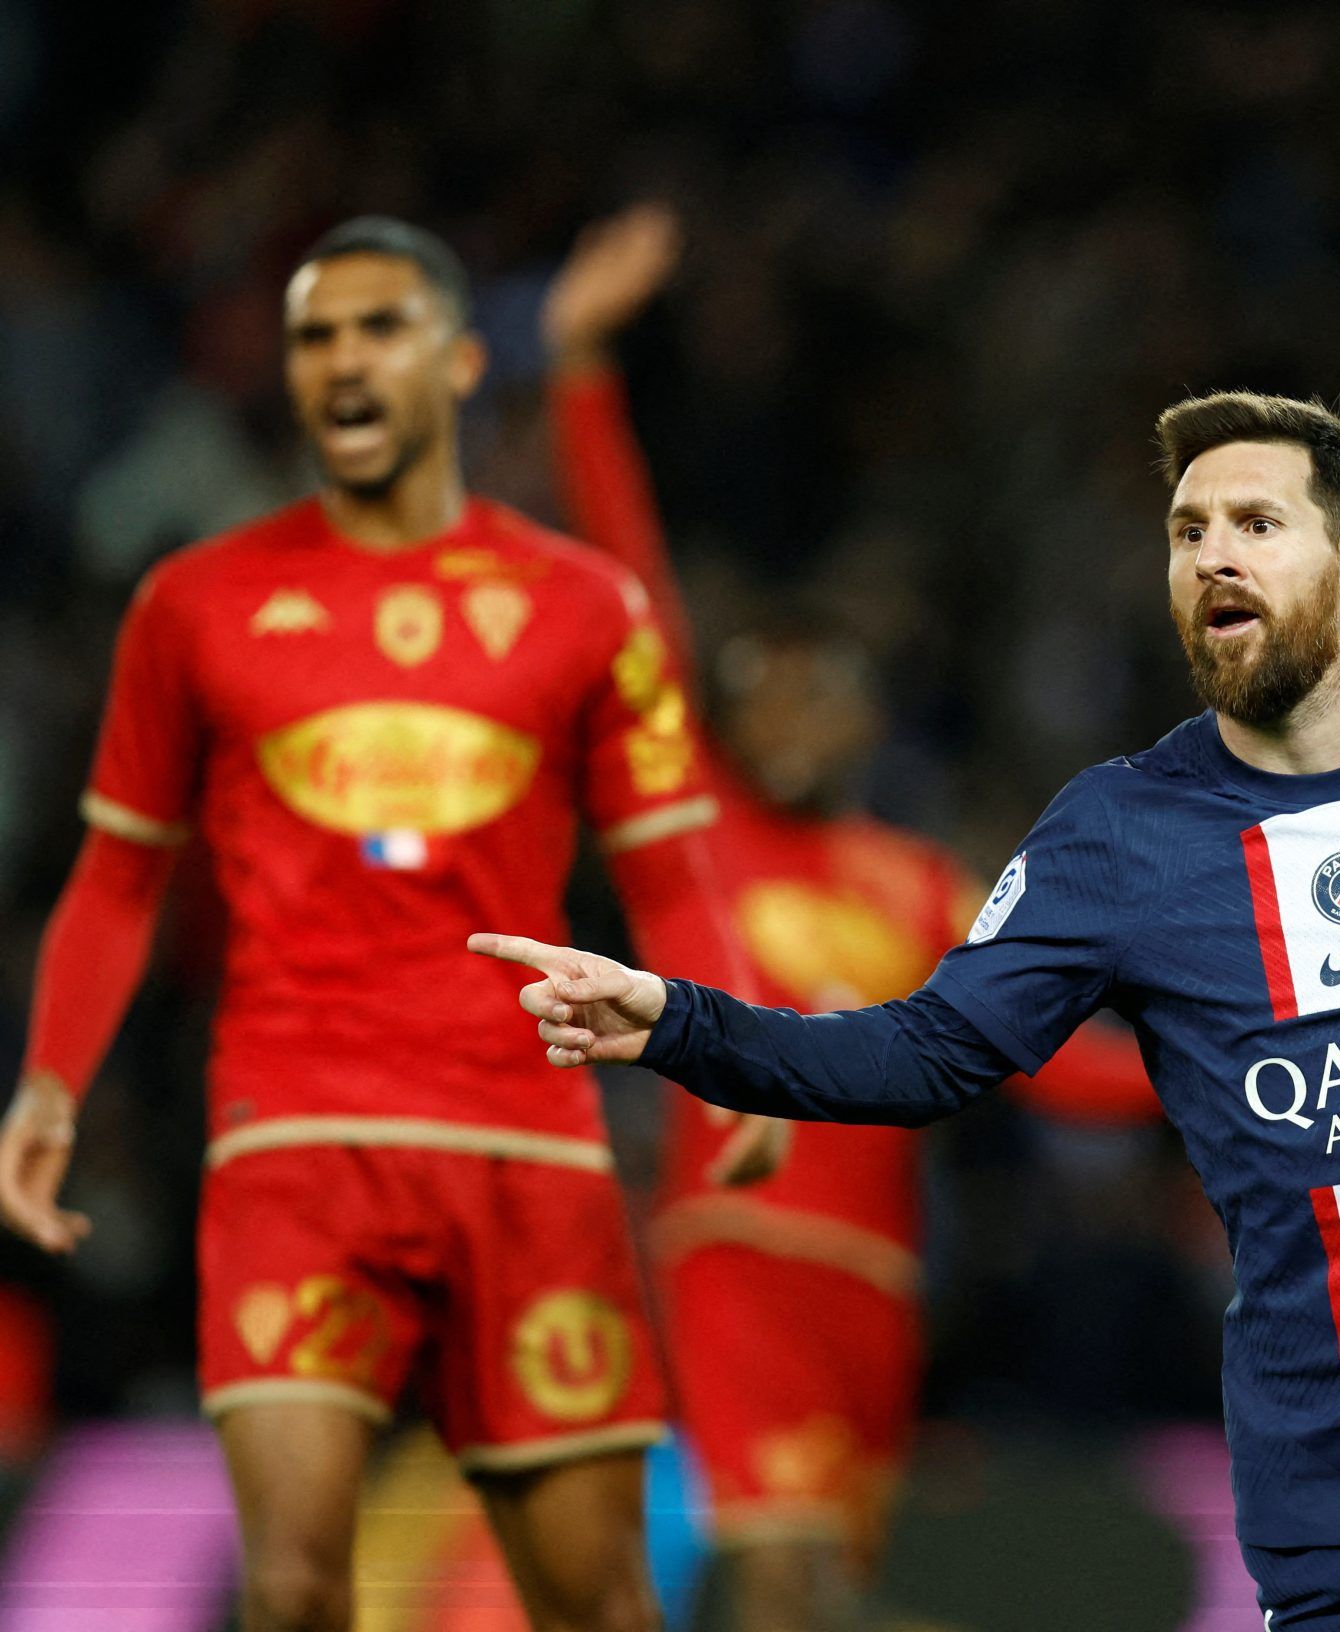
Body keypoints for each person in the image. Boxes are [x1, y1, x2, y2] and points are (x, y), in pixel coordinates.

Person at [475, 389, 1340, 1629]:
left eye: (1255, 524)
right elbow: (924, 1050)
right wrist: (681, 1023)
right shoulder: (1115, 836)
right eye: (1187, 532)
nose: (1212, 556)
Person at [0, 216, 785, 1632]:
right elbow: (116, 878)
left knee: (601, 1601)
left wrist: (735, 1051)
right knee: (292, 1583)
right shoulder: (194, 605)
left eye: (378, 328)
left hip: (522, 1144)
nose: (341, 361)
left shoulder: (581, 604)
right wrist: (53, 1079)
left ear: (461, 361)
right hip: (296, 1139)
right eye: (313, 335)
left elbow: (673, 870)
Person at [542, 206, 1159, 1629]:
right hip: (737, 1245)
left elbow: (1037, 1056)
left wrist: (1196, 1077)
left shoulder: (921, 881)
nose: (801, 711)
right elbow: (631, 599)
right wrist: (578, 367)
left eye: (830, 690)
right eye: (772, 685)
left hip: (880, 1282)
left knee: (825, 1594)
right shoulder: (692, 826)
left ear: (870, 721)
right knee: (779, 1578)